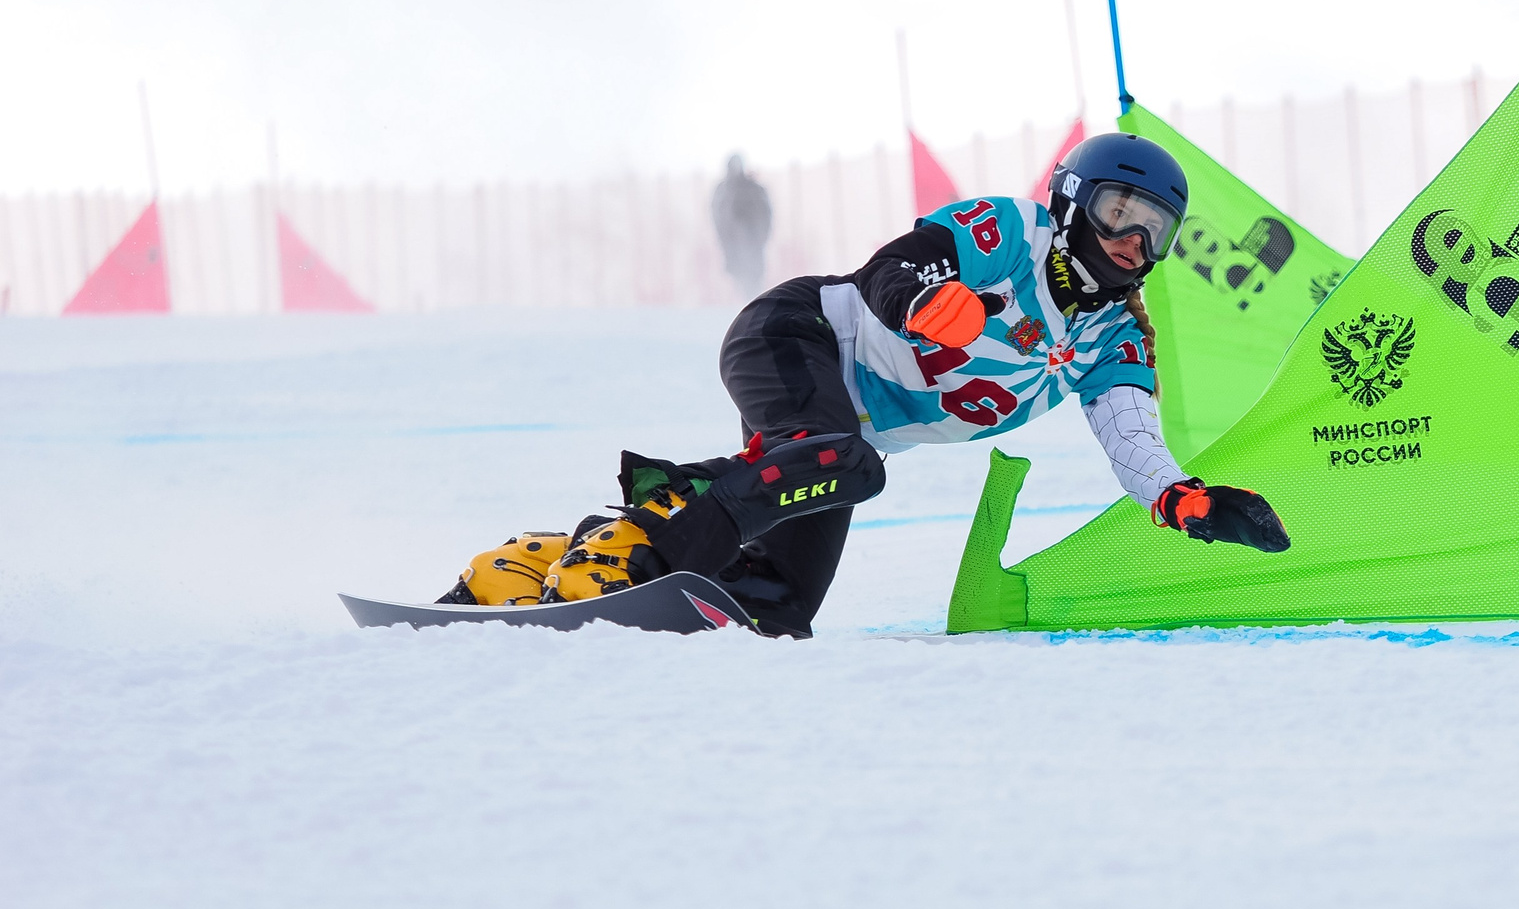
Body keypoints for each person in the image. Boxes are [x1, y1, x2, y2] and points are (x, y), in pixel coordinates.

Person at [447, 133, 1289, 636]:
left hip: (836, 434)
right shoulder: (1015, 233)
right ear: (1073, 202)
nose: (1130, 245)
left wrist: (1191, 504)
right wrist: (924, 301)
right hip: (796, 334)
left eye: (1153, 233)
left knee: (778, 608)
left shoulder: (1113, 337)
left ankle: (544, 560)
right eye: (1117, 215)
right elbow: (894, 265)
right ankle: (654, 541)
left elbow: (1136, 444)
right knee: (848, 461)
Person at [710, 154, 773, 296]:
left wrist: (760, 237)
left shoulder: (753, 189)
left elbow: (765, 214)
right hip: (733, 244)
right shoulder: (723, 190)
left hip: (752, 243)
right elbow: (718, 215)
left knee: (754, 282)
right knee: (739, 278)